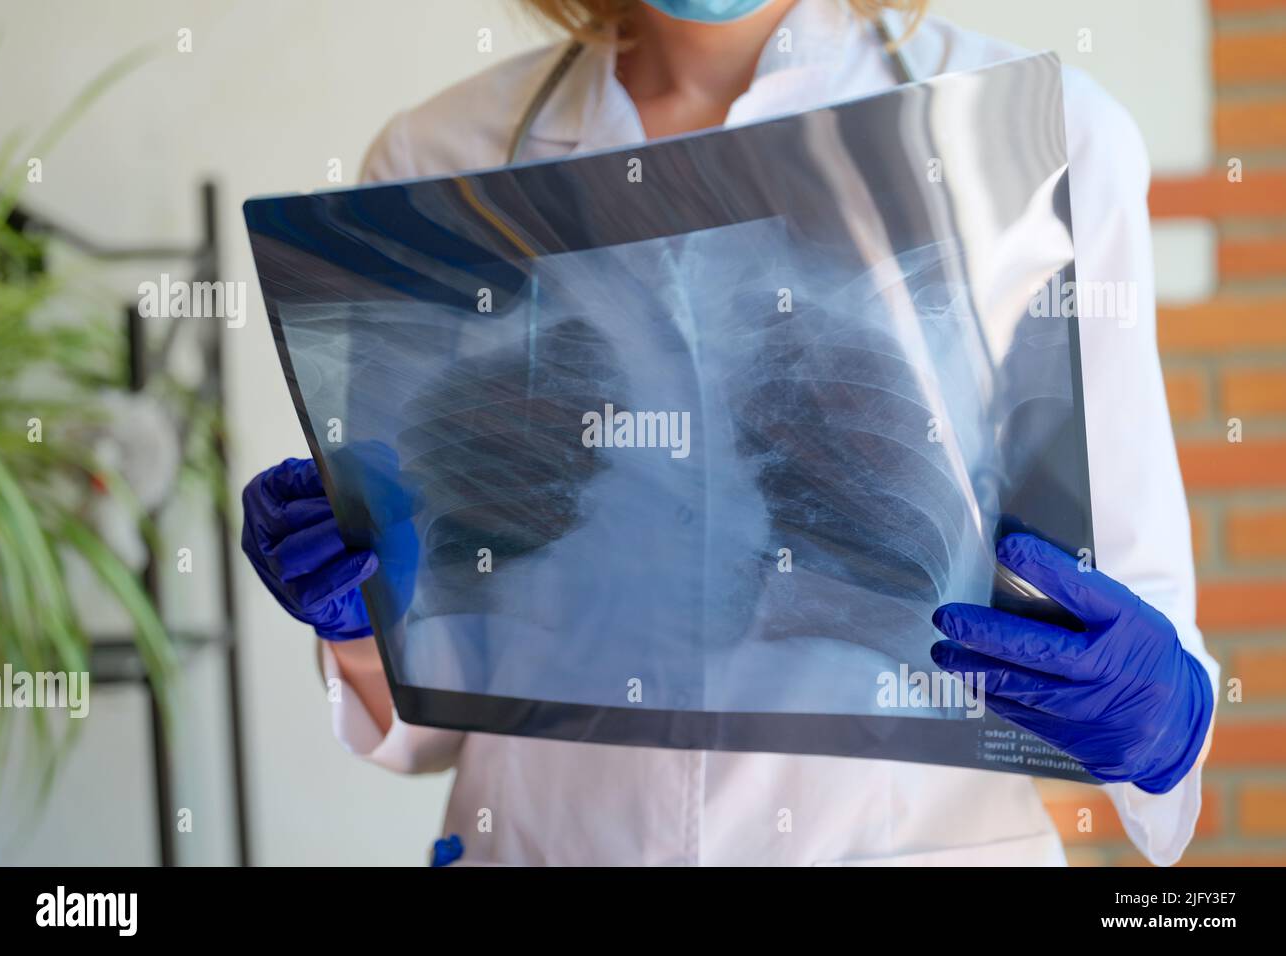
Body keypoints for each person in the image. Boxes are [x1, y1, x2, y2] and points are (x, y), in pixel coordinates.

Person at [241, 0, 1217, 865]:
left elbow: (1132, 595)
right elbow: (440, 712)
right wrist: (363, 624)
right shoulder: (437, 157)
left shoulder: (1031, 137)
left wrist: (1158, 721)